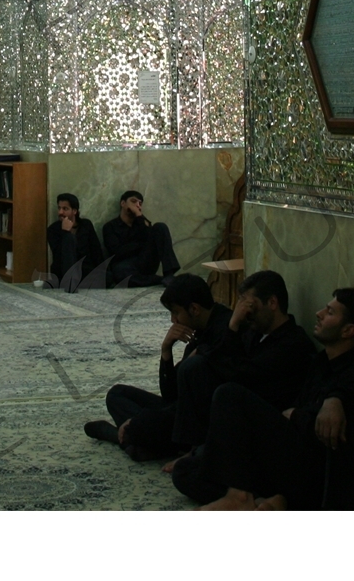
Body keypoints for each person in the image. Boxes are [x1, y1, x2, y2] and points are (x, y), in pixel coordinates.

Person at [178, 286, 354, 510]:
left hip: (312, 472)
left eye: (329, 312)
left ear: (348, 330)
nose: (319, 313)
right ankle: (269, 500)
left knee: (229, 395)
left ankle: (241, 496)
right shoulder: (321, 363)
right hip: (289, 457)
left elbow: (330, 441)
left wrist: (300, 414)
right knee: (187, 472)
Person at [164, 269, 318, 487]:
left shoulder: (292, 343)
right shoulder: (254, 333)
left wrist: (233, 327)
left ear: (272, 303)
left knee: (185, 471)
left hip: (262, 431)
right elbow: (225, 364)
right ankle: (193, 448)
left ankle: (203, 456)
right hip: (231, 422)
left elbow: (239, 376)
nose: (246, 313)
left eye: (250, 306)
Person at [83, 274, 231, 460]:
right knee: (116, 394)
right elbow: (171, 394)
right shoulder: (198, 330)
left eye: (176, 313)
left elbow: (191, 402)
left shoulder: (224, 331)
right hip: (177, 408)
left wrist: (139, 420)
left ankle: (123, 437)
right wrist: (166, 350)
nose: (173, 320)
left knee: (141, 426)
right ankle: (138, 441)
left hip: (197, 418)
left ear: (194, 309)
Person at [100, 191, 180, 287]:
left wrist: (139, 217)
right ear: (123, 203)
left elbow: (151, 241)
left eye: (140, 203)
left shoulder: (142, 222)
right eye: (133, 201)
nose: (137, 206)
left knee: (160, 227)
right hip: (125, 265)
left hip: (144, 261)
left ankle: (169, 275)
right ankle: (159, 279)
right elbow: (116, 252)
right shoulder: (110, 227)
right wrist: (140, 245)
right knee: (120, 274)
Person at [46, 193, 104, 290]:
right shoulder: (53, 230)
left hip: (85, 270)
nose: (60, 212)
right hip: (64, 272)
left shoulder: (86, 225)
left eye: (65, 209)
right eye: (59, 208)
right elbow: (59, 256)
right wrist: (66, 233)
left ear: (74, 211)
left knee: (107, 277)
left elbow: (96, 251)